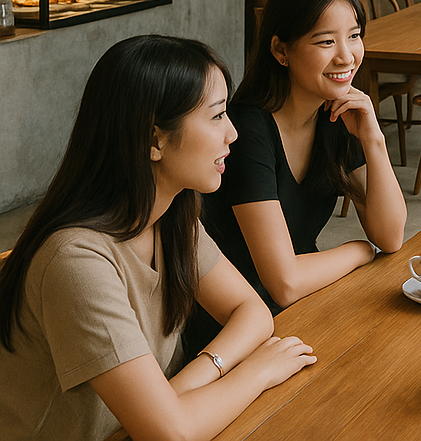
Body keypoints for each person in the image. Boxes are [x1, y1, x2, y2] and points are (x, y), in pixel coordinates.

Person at [0, 35, 316, 441]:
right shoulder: (76, 261)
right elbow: (172, 433)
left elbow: (251, 311)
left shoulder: (172, 215)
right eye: (217, 116)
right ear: (154, 140)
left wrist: (181, 389)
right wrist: (256, 372)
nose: (233, 134)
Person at [187, 0, 406, 353]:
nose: (346, 55)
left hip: (301, 308)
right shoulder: (246, 130)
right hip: (233, 332)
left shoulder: (337, 113)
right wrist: (358, 250)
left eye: (354, 36)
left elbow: (390, 236)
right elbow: (283, 282)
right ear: (280, 50)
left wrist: (374, 140)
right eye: (325, 41)